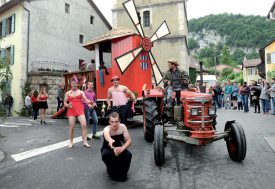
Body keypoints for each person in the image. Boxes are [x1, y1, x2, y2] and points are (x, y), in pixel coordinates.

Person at [101, 112, 132, 182]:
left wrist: (123, 148)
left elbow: (129, 140)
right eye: (112, 122)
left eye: (116, 121)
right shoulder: (106, 128)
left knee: (128, 155)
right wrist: (110, 140)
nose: (114, 124)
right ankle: (110, 170)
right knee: (106, 155)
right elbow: (106, 135)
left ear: (119, 121)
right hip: (107, 148)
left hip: (119, 147)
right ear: (109, 122)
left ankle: (123, 173)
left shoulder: (123, 127)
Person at [64, 79, 93, 148]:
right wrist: (67, 105)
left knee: (84, 125)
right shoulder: (68, 93)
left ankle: (85, 142)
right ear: (71, 84)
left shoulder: (81, 92)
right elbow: (65, 102)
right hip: (71, 111)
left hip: (80, 110)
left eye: (75, 83)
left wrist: (90, 102)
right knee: (71, 127)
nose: (74, 84)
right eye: (73, 83)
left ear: (77, 84)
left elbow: (85, 99)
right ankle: (71, 142)